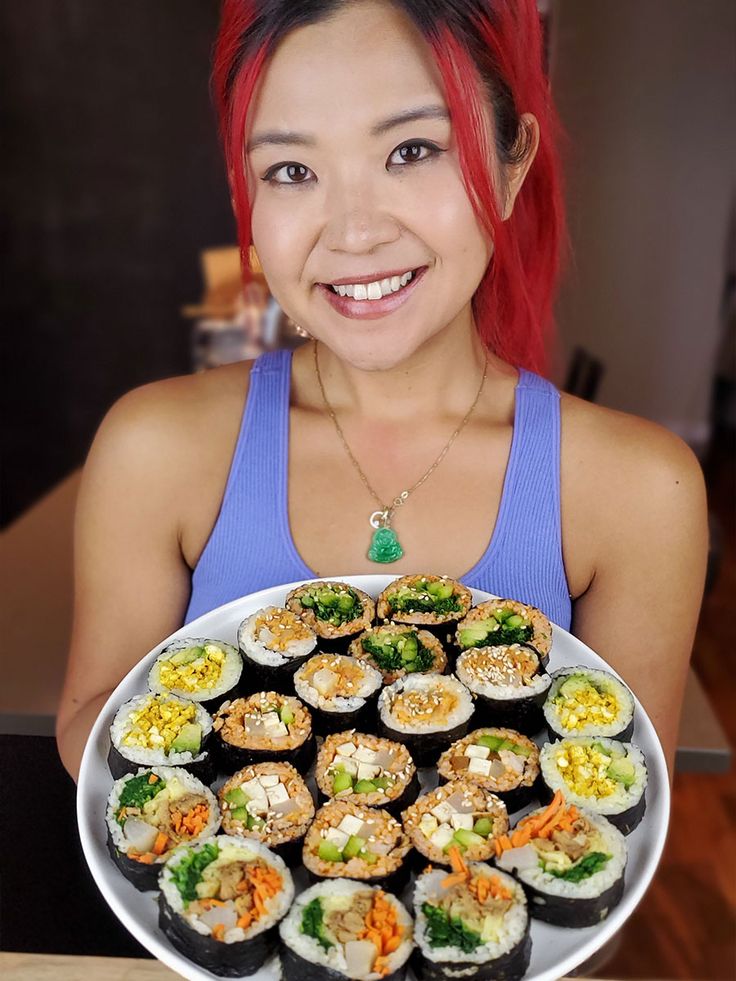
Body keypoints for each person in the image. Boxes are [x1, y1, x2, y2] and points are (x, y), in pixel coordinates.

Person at [56, 0, 707, 783]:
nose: (354, 231)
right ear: (244, 200)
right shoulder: (152, 447)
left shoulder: (643, 489)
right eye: (292, 171)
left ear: (511, 167)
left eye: (413, 150)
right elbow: (93, 722)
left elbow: (621, 793)